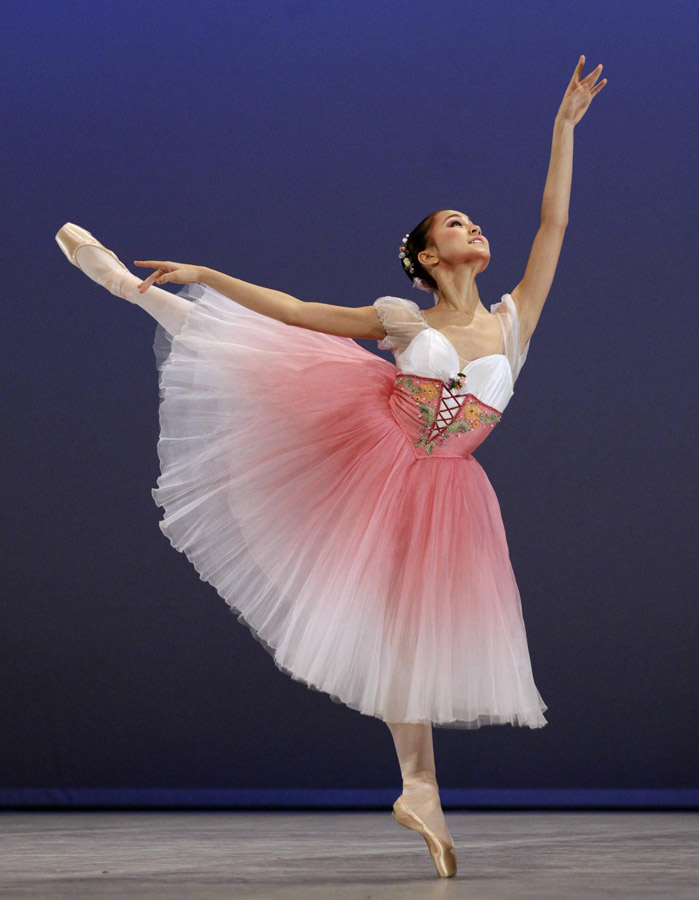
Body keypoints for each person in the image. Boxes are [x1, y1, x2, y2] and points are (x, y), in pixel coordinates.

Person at [54, 55, 606, 878]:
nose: (473, 229)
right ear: (423, 257)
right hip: (371, 447)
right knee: (259, 356)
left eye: (474, 223)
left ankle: (418, 786)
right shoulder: (396, 316)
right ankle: (139, 293)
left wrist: (561, 130)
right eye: (454, 224)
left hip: (445, 487)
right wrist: (205, 274)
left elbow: (552, 225)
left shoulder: (512, 319)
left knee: (405, 632)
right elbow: (300, 313)